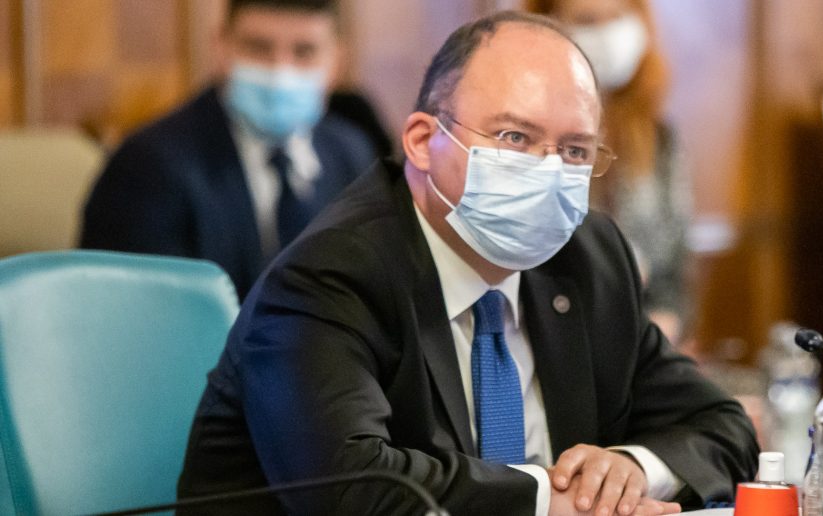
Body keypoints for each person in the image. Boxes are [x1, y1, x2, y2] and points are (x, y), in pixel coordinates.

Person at [177, 11, 758, 515]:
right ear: (422, 141)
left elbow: (723, 427)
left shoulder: (590, 259)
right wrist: (545, 502)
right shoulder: (331, 275)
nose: (549, 171)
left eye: (574, 150)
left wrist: (632, 469)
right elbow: (350, 486)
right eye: (515, 137)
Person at [79, 0, 376, 300]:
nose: (280, 72)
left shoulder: (352, 154)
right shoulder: (148, 167)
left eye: (304, 52)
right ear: (220, 48)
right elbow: (140, 313)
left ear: (337, 59)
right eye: (258, 48)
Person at [523, 0, 691, 344]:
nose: (605, 35)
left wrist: (664, 323)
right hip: (551, 333)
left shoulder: (658, 137)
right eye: (587, 21)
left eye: (616, 18)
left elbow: (675, 262)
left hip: (642, 336)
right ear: (549, 24)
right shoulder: (527, 136)